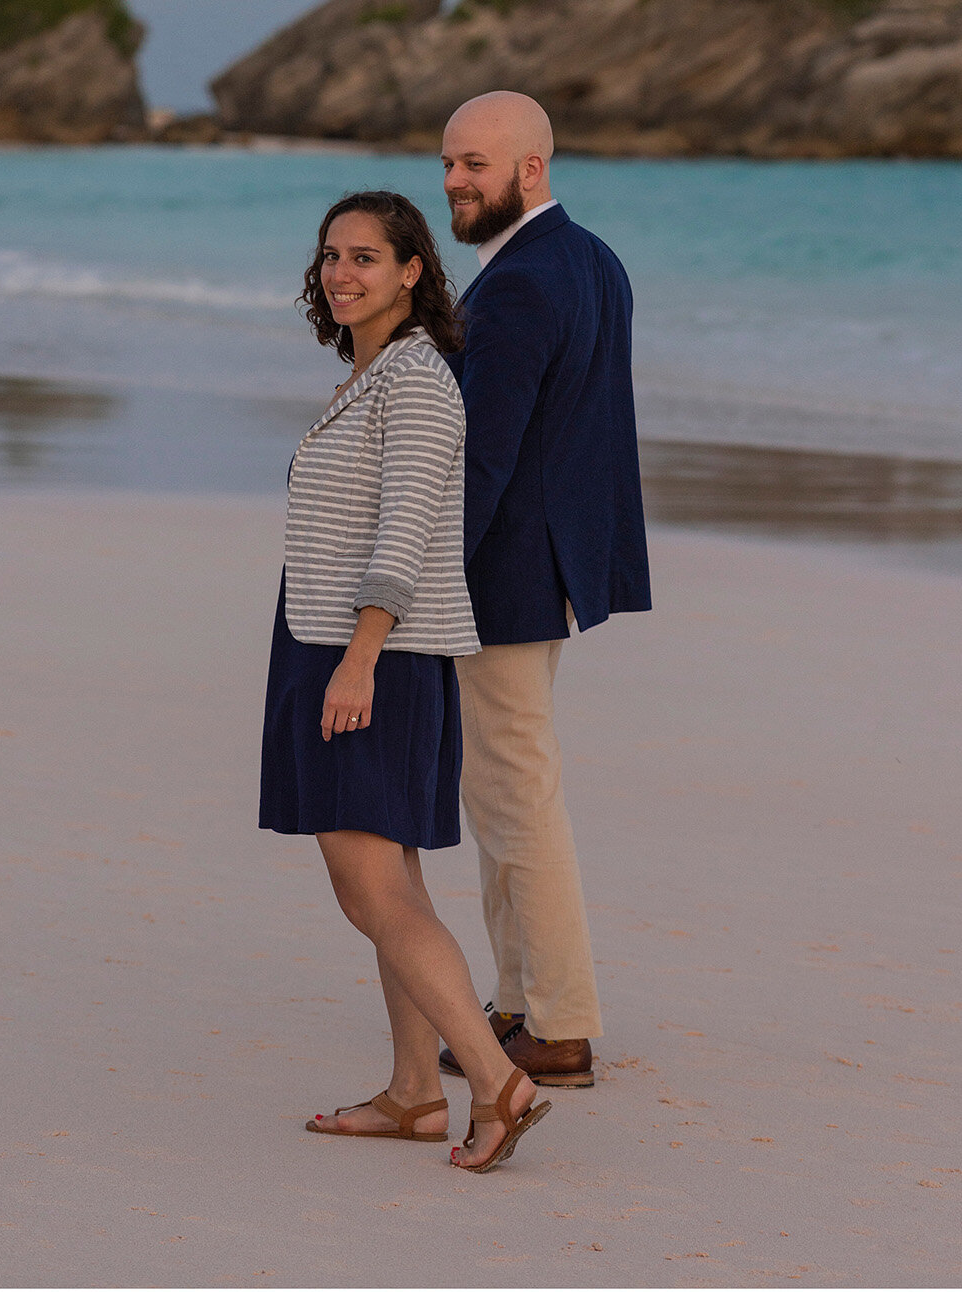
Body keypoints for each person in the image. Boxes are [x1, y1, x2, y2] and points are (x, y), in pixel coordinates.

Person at [261, 190, 551, 1172]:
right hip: (332, 641)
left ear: (412, 270)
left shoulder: (417, 380)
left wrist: (357, 656)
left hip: (366, 651)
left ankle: (492, 1080)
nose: (342, 272)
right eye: (331, 254)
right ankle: (413, 1092)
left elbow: (408, 527)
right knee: (394, 880)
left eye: (365, 258)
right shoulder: (371, 373)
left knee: (369, 887)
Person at [433, 90, 651, 1091]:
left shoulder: (518, 283)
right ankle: (516, 998)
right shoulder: (592, 259)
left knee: (515, 790)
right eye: (445, 163)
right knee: (500, 783)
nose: (451, 181)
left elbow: (482, 454)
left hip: (505, 569)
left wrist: (420, 579)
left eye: (474, 163)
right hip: (554, 560)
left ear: (530, 167)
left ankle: (558, 1023)